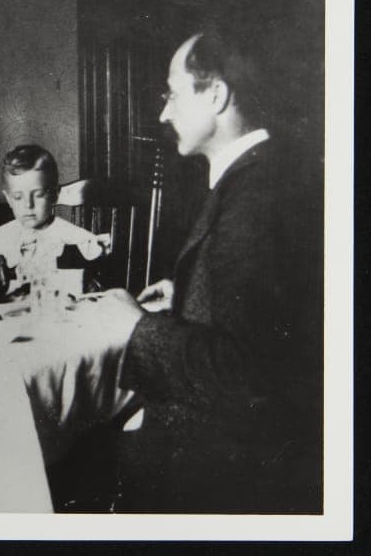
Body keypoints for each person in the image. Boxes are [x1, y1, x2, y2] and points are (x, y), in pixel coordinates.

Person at [96, 29, 322, 513]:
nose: (163, 113)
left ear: (216, 95)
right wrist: (188, 292)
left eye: (174, 95)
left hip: (226, 477)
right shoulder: (257, 178)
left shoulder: (252, 200)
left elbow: (248, 375)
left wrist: (137, 326)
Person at [0, 144, 108, 302]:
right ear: (8, 199)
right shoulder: (1, 237)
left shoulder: (74, 239)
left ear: (54, 195)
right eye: (18, 197)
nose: (28, 205)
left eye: (39, 195)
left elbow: (90, 292)